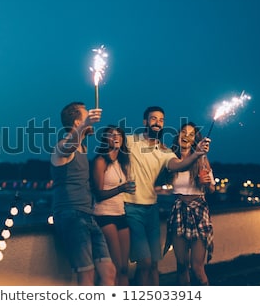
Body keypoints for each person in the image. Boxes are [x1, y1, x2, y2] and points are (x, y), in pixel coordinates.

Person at [123, 106, 210, 286]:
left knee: (154, 265)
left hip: (152, 209)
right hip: (131, 207)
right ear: (145, 122)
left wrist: (197, 154)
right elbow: (109, 147)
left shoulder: (165, 151)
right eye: (153, 118)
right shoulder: (130, 141)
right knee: (146, 263)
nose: (157, 122)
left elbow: (179, 165)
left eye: (161, 120)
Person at [50, 101, 116, 286]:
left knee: (109, 272)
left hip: (88, 215)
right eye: (86, 117)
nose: (91, 122)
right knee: (86, 276)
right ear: (78, 123)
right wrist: (86, 125)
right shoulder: (62, 146)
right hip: (71, 215)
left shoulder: (84, 149)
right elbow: (69, 145)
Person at [163, 122, 215, 285]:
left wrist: (206, 183)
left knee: (197, 268)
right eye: (183, 132)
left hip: (199, 212)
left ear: (195, 140)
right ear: (178, 135)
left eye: (191, 134)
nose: (186, 136)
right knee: (181, 265)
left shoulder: (202, 160)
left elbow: (212, 189)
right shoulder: (170, 159)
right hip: (179, 212)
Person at [91, 124, 135, 285]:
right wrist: (121, 188)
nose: (116, 137)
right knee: (115, 267)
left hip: (120, 214)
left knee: (125, 268)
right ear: (105, 139)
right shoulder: (100, 161)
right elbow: (99, 194)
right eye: (111, 134)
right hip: (104, 215)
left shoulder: (122, 162)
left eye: (119, 135)